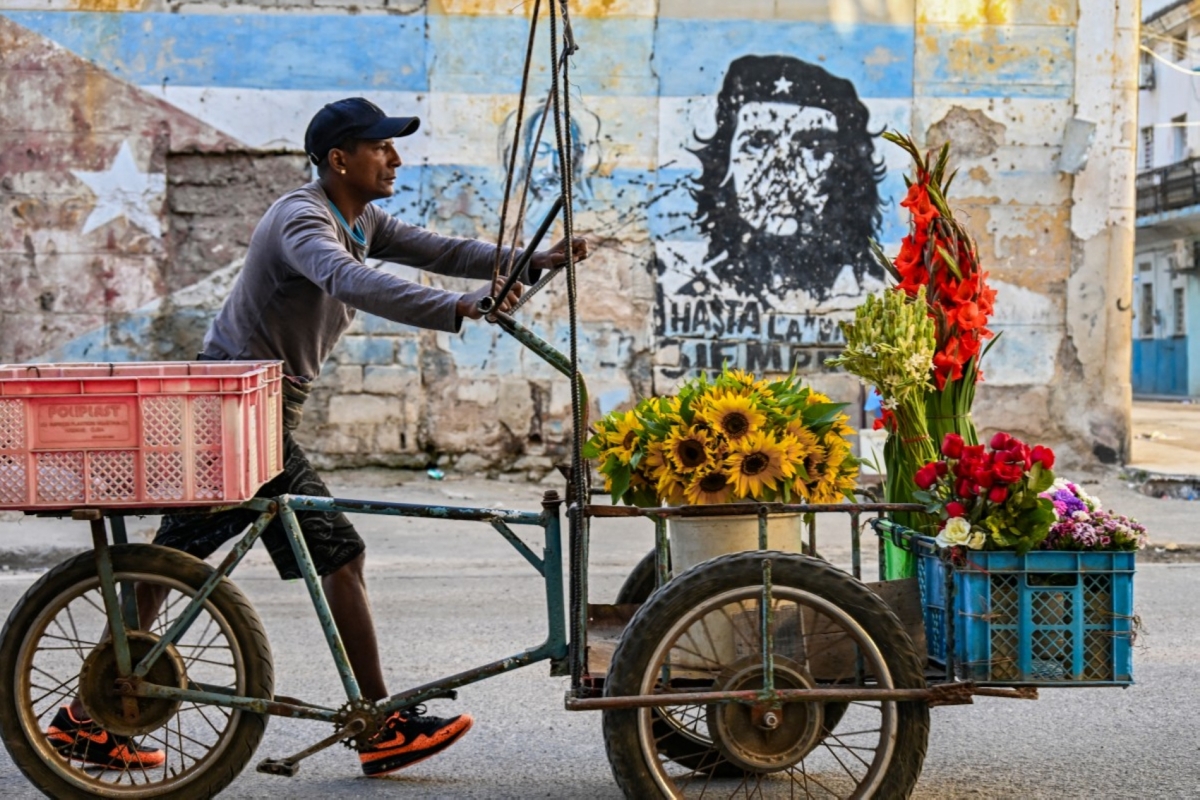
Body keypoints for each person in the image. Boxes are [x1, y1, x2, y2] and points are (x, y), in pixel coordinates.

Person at [45, 97, 589, 777]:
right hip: (238, 413)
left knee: (170, 560)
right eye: (381, 147)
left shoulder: (360, 218)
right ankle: (379, 722)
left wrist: (533, 260)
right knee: (339, 555)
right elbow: (347, 280)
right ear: (340, 159)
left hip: (252, 409)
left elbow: (445, 249)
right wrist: (456, 306)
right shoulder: (301, 218)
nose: (394, 158)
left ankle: (86, 717)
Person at [686, 54, 886, 305]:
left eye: (813, 146)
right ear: (725, 165)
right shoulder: (694, 298)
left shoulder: (875, 298)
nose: (784, 172)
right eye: (758, 143)